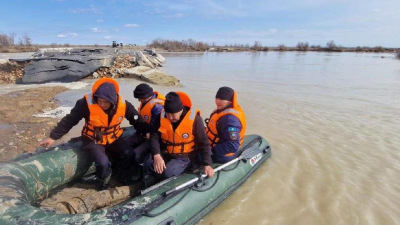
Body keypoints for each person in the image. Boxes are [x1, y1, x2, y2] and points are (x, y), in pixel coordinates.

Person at [39, 78, 149, 189]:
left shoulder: (124, 105)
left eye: (105, 102)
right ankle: (103, 182)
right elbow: (70, 120)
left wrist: (146, 131)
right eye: (99, 101)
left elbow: (136, 119)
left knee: (128, 154)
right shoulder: (85, 104)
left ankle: (122, 175)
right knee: (103, 163)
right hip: (93, 139)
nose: (102, 104)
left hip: (113, 137)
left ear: (113, 100)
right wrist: (53, 137)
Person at [143, 92, 214, 187]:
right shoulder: (160, 117)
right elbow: (154, 136)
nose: (171, 117)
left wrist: (207, 163)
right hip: (166, 151)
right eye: (168, 114)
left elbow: (203, 142)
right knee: (148, 163)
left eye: (173, 114)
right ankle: (146, 184)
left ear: (181, 110)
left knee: (167, 173)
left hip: (184, 156)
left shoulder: (195, 120)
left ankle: (161, 185)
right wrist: (156, 155)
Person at [129, 83, 165, 180]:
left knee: (137, 153)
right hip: (144, 132)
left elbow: (156, 128)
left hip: (153, 136)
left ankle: (141, 171)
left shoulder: (157, 107)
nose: (138, 100)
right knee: (127, 143)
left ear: (145, 96)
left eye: (139, 97)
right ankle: (131, 167)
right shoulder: (145, 102)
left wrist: (148, 134)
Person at [205, 86, 246, 163]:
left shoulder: (230, 121)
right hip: (213, 144)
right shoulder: (222, 110)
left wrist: (211, 150)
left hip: (221, 155)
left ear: (230, 101)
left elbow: (233, 146)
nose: (217, 101)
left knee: (195, 156)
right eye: (216, 98)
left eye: (221, 99)